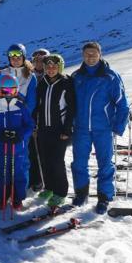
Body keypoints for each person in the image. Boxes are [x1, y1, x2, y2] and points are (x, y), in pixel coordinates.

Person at [70, 42, 129, 214]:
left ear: (100, 55)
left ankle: (104, 197)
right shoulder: (76, 77)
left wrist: (118, 126)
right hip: (81, 129)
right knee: (79, 163)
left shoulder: (110, 77)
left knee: (105, 164)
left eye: (93, 54)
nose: (90, 57)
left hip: (103, 128)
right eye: (87, 54)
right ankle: (81, 194)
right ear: (82, 56)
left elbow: (122, 104)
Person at [0, 74, 35, 211]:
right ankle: (3, 196)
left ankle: (18, 197)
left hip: (18, 147)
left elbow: (30, 125)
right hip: (1, 146)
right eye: (4, 91)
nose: (8, 94)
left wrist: (20, 135)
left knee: (19, 172)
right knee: (3, 172)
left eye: (11, 91)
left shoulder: (20, 106)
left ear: (16, 91)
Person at [32, 54, 75, 209]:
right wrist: (35, 125)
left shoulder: (65, 83)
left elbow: (71, 109)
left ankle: (60, 192)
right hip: (43, 129)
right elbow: (37, 106)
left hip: (59, 130)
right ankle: (49, 188)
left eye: (54, 67)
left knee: (57, 161)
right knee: (44, 160)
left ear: (60, 67)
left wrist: (67, 129)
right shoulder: (42, 83)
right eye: (48, 67)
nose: (51, 69)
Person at [0, 44, 41, 191]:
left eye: (18, 56)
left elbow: (32, 101)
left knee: (20, 159)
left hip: (21, 120)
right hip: (3, 119)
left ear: (23, 57)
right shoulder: (2, 73)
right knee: (5, 158)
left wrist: (21, 115)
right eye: (12, 56)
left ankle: (19, 190)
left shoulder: (30, 76)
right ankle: (5, 189)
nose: (15, 59)